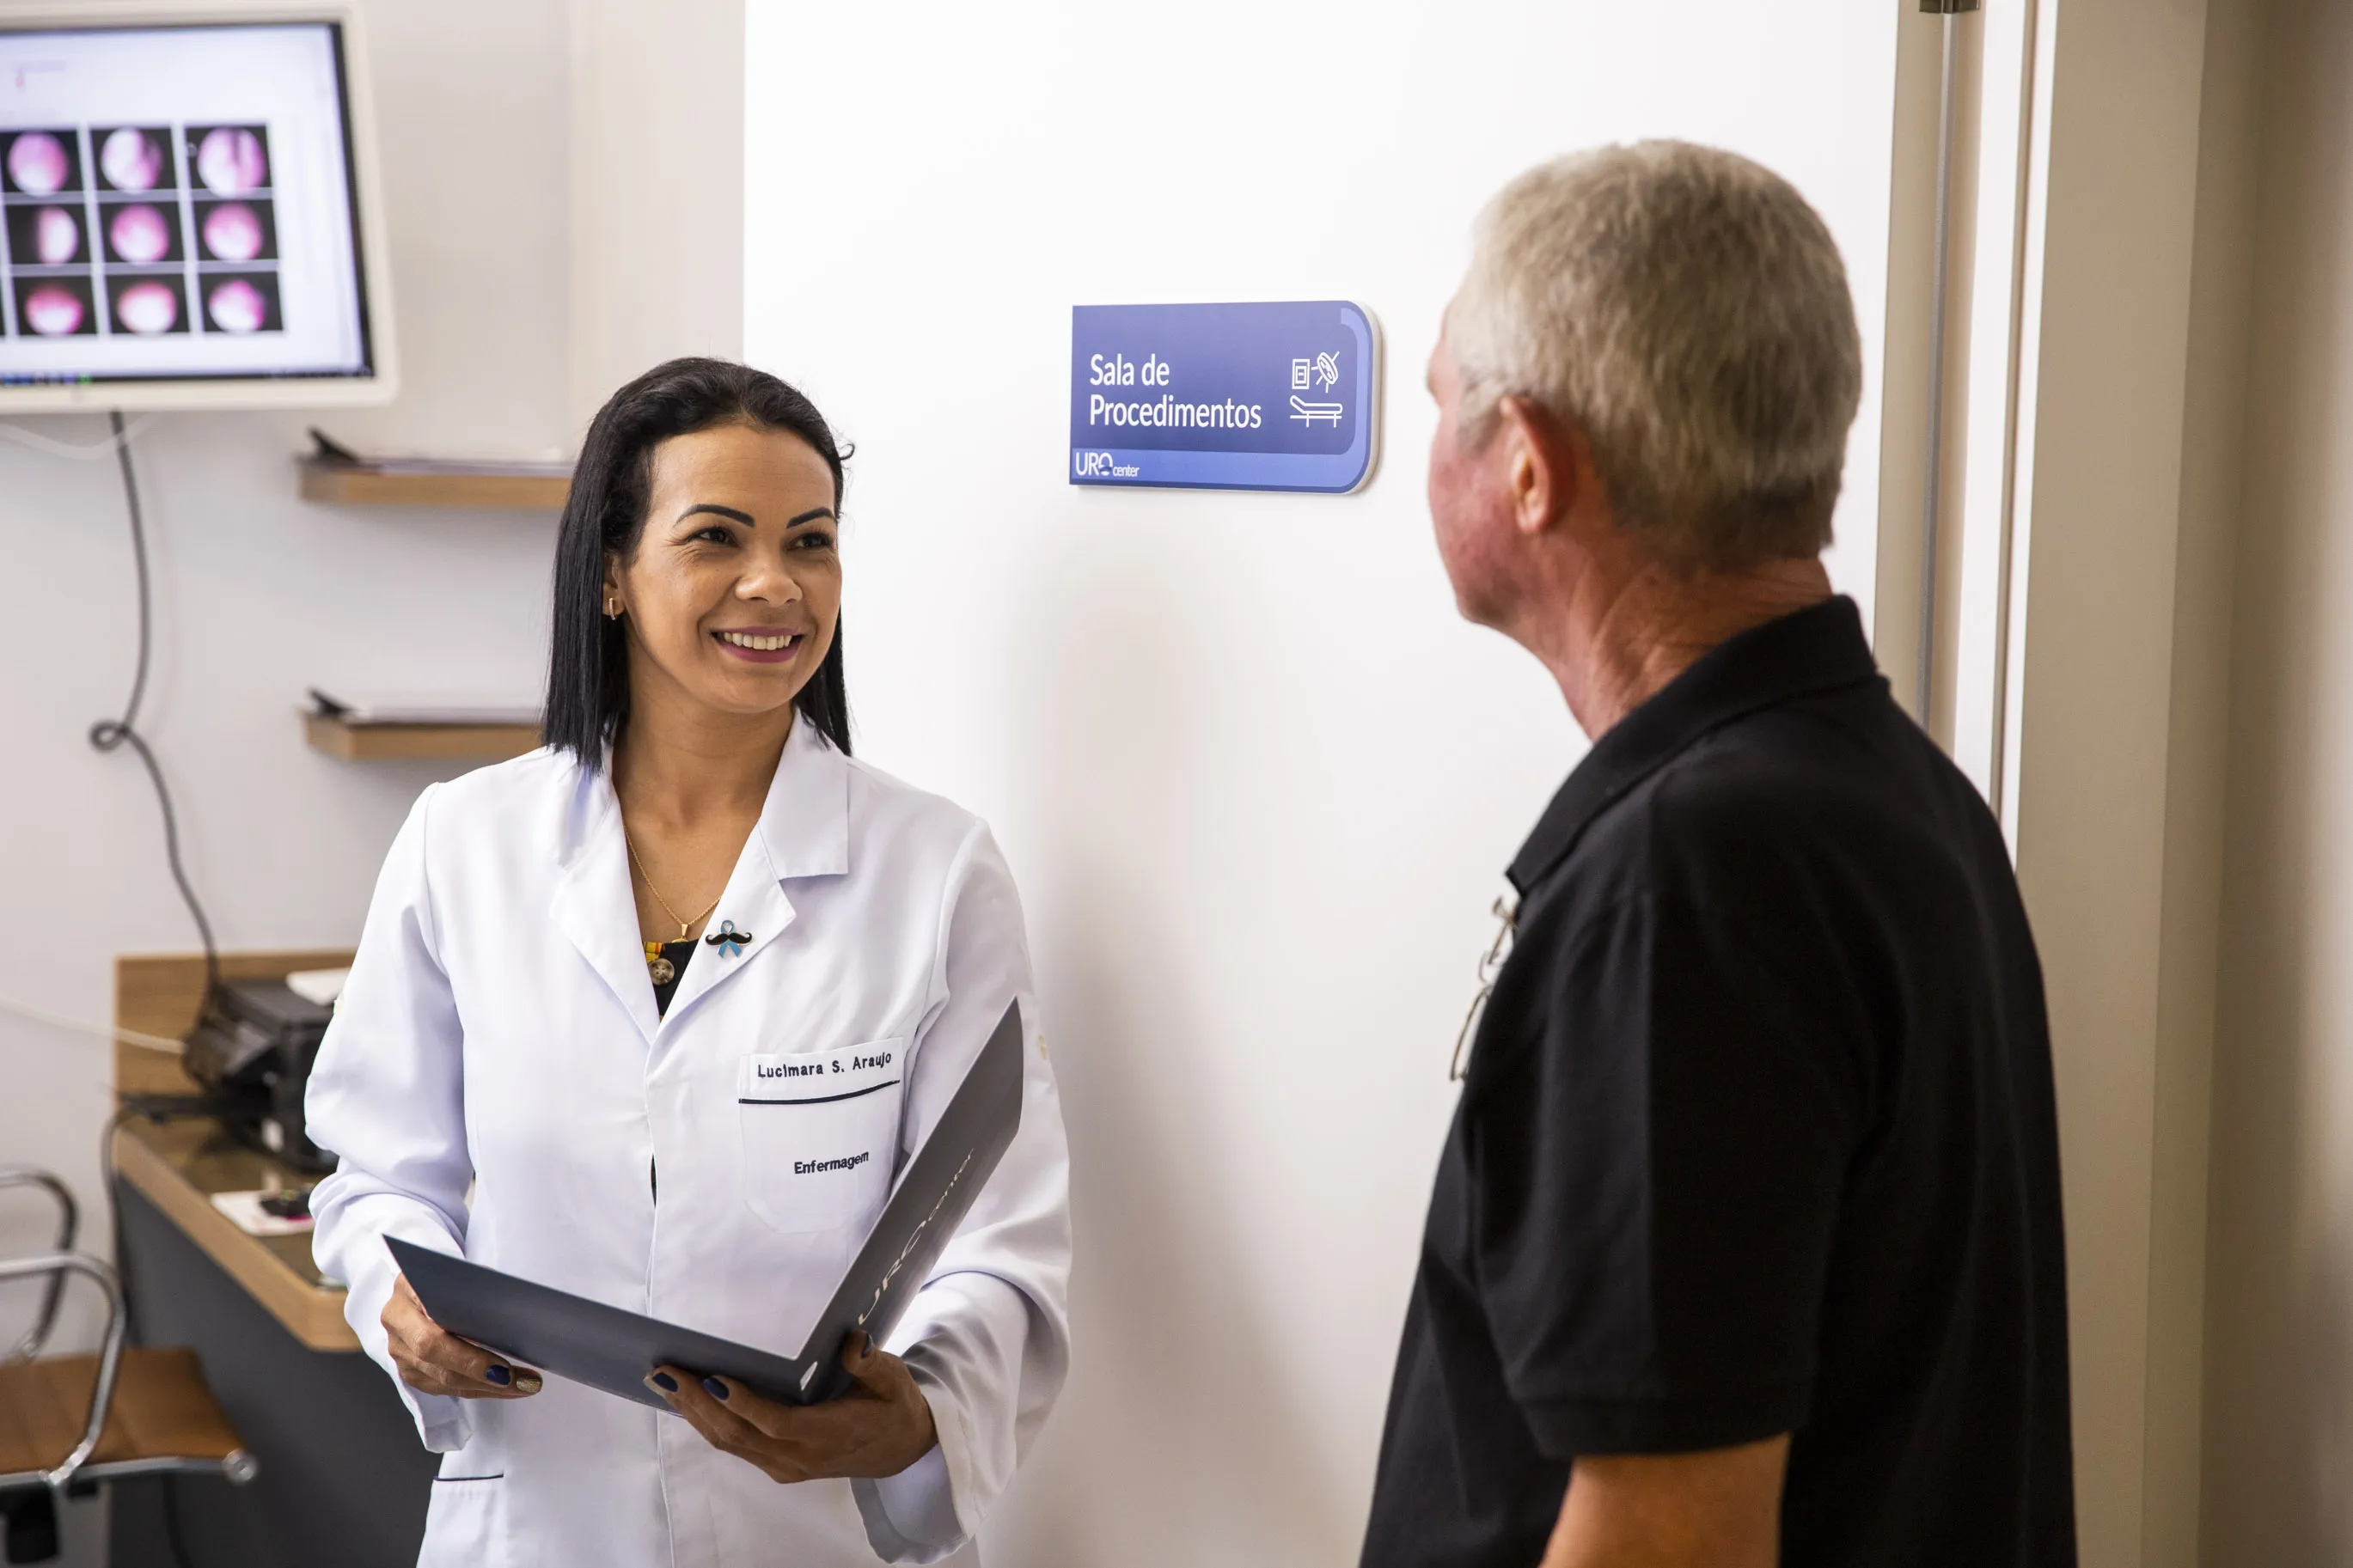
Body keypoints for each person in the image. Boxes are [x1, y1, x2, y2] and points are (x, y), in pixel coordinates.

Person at [1360, 143, 2075, 1568]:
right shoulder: (1892, 802)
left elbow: (1666, 1535)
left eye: (1439, 401)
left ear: (1527, 467)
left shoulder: (1684, 883)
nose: (1426, 444)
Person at [307, 357, 1071, 1568]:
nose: (774, 584)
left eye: (810, 543)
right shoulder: (467, 844)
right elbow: (380, 1177)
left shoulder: (934, 870)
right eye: (716, 537)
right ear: (611, 574)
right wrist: (403, 1302)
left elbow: (999, 1233)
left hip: (810, 1531)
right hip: (544, 1517)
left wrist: (917, 1415)